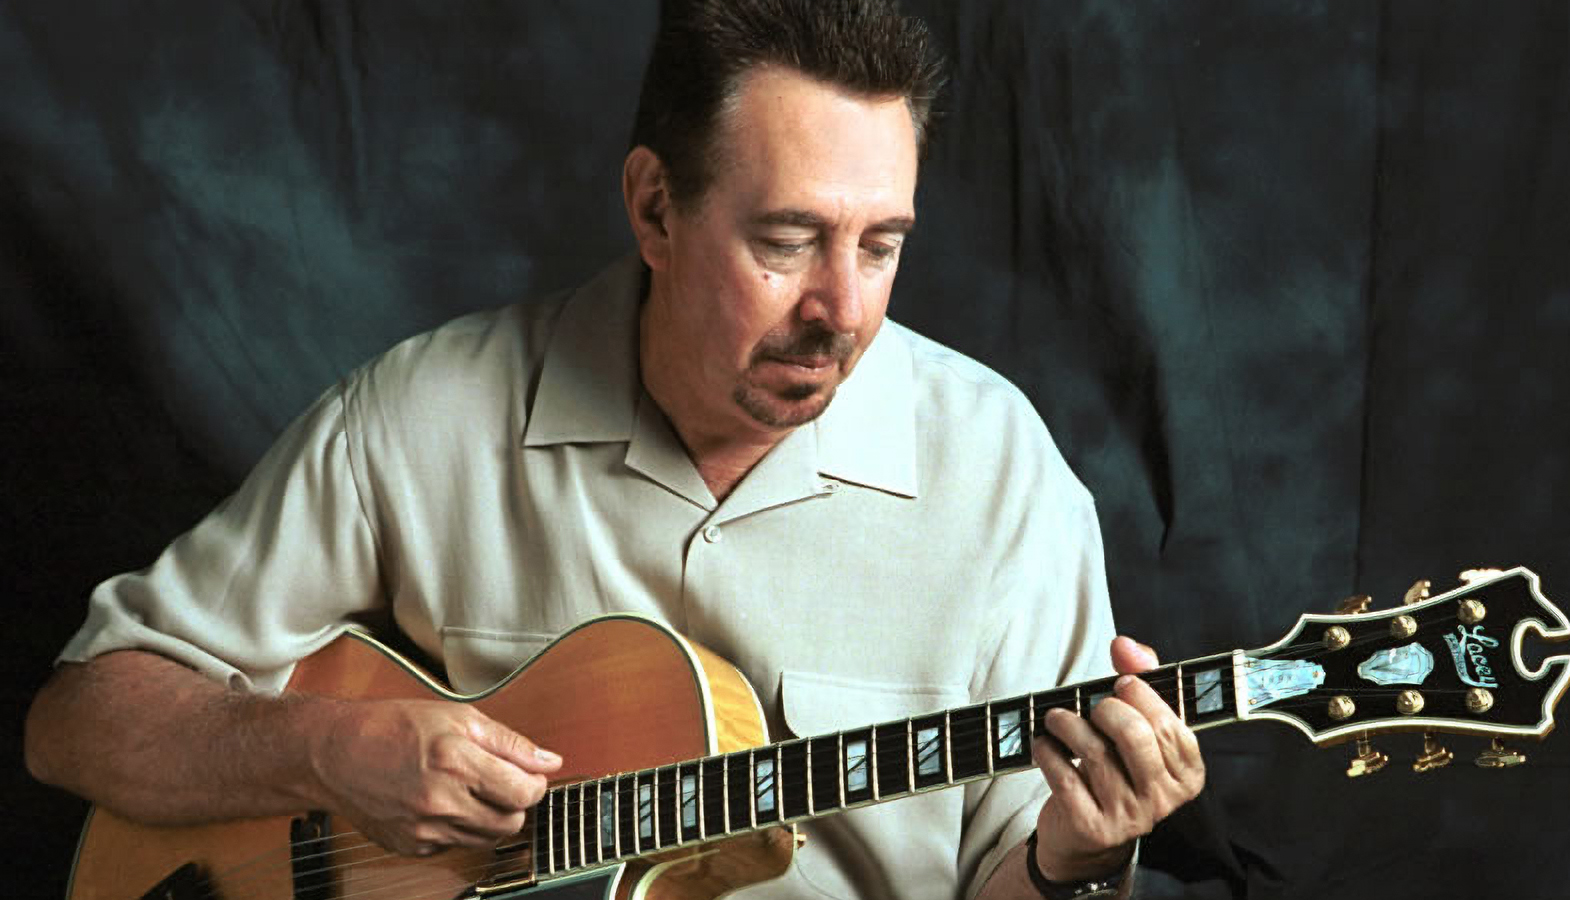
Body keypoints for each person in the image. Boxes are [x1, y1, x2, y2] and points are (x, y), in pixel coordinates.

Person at [24, 1, 1204, 897]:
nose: (842, 310)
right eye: (787, 240)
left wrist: (1071, 860)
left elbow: (1015, 877)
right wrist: (330, 751)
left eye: (881, 245)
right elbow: (78, 719)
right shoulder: (427, 412)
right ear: (654, 209)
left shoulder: (1002, 478)